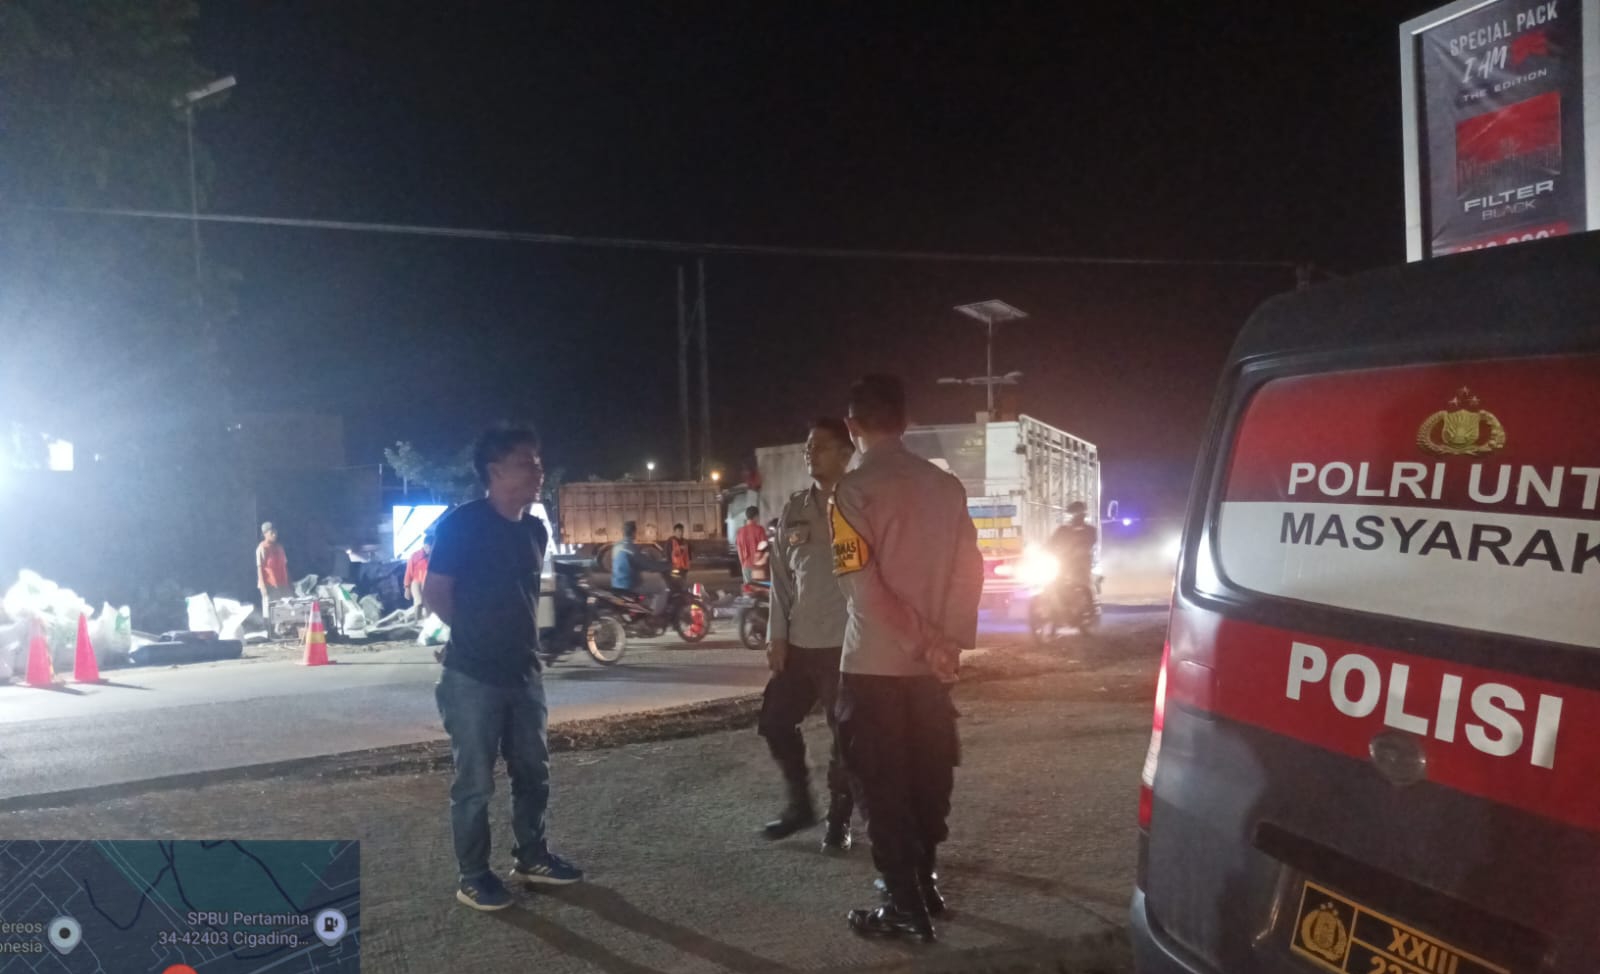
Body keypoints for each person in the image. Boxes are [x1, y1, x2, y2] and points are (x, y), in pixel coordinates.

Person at [831, 374, 984, 943]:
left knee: (881, 786)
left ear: (852, 426)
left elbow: (864, 591)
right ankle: (926, 883)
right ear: (906, 422)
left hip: (873, 667)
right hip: (930, 674)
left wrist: (923, 642)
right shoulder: (945, 487)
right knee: (928, 777)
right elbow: (971, 570)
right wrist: (947, 644)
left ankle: (903, 906)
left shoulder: (852, 492)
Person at [423, 425, 583, 912]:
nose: (538, 471)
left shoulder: (535, 529)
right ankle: (473, 876)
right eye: (526, 462)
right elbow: (436, 592)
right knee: (474, 783)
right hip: (472, 675)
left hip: (524, 673)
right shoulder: (462, 524)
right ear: (495, 471)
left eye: (538, 462)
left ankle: (532, 856)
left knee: (533, 771)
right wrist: (477, 633)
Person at [759, 417, 857, 851]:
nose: (809, 454)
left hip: (847, 645)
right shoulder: (795, 508)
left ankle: (840, 818)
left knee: (846, 735)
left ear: (845, 454)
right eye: (807, 447)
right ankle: (801, 805)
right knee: (774, 721)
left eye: (819, 447)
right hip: (800, 644)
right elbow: (780, 581)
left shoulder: (861, 504)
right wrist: (776, 636)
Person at [1047, 501, 1098, 597]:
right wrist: (1046, 551)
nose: (1075, 517)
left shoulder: (1089, 530)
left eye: (1078, 513)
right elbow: (1051, 543)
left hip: (1081, 565)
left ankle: (1089, 602)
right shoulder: (1063, 530)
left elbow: (1090, 542)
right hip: (1064, 563)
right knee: (1052, 585)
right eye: (1073, 514)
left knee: (1085, 585)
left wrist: (1079, 550)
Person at [610, 520, 666, 598]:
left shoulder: (616, 546)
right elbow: (646, 564)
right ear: (634, 533)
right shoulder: (631, 547)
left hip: (616, 584)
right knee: (659, 589)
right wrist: (665, 566)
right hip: (630, 586)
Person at [256, 522, 291, 621]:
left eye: (275, 532)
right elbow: (260, 568)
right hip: (270, 586)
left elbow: (285, 566)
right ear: (265, 534)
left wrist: (289, 583)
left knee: (285, 610)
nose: (274, 534)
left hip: (282, 584)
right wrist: (263, 587)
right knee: (271, 613)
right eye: (271, 532)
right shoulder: (262, 548)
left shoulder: (279, 547)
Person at [405, 532, 434, 618]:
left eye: (431, 547)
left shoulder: (434, 556)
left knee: (429, 603)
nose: (429, 550)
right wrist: (407, 588)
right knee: (419, 602)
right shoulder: (415, 556)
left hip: (428, 582)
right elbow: (408, 572)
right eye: (427, 547)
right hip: (416, 582)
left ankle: (428, 620)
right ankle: (417, 620)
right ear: (424, 546)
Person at [736, 506, 766, 583]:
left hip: (746, 565)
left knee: (748, 588)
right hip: (758, 566)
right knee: (759, 588)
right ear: (756, 516)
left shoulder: (740, 531)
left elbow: (739, 549)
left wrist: (743, 563)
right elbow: (764, 548)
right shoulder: (760, 530)